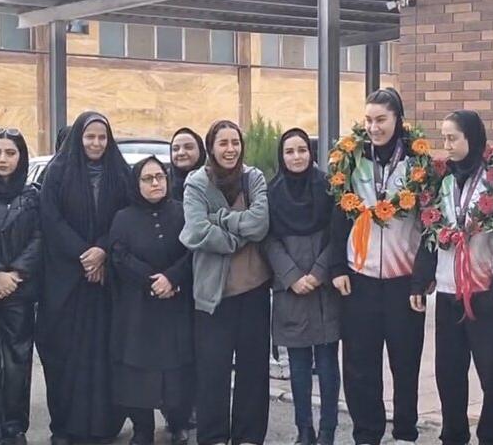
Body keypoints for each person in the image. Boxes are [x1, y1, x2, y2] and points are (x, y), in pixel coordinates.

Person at [329, 87, 425, 445]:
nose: (374, 127)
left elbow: (429, 223)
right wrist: (337, 267)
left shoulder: (416, 163)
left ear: (398, 120)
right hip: (360, 278)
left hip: (403, 281)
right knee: (359, 365)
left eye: (381, 119)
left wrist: (421, 279)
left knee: (406, 363)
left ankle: (405, 434)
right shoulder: (351, 160)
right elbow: (338, 216)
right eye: (368, 120)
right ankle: (366, 434)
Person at [410, 111, 493, 445]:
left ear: (472, 138)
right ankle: (453, 434)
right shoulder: (442, 181)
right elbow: (429, 233)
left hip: (484, 292)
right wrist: (419, 281)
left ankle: (491, 435)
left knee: (492, 373)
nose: (447, 145)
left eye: (453, 138)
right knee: (449, 372)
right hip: (448, 291)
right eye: (444, 138)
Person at [37, 111, 130, 445]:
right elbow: (50, 219)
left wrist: (103, 249)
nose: (96, 143)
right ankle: (64, 427)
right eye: (90, 136)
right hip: (66, 282)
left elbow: (126, 216)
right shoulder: (57, 172)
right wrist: (84, 254)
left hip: (106, 282)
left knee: (104, 354)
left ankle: (103, 425)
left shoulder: (120, 173)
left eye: (102, 137)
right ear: (79, 137)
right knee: (65, 355)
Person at [179, 120, 271, 445]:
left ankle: (248, 437)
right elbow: (195, 230)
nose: (230, 149)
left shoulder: (253, 177)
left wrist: (219, 219)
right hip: (212, 296)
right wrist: (236, 240)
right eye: (223, 143)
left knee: (253, 370)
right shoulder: (196, 183)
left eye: (235, 142)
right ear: (211, 147)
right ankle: (213, 437)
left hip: (254, 291)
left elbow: (260, 225)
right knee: (212, 372)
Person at [109, 156, 194, 445]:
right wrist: (152, 282)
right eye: (147, 179)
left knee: (177, 368)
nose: (155, 183)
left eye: (160, 176)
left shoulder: (182, 212)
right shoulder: (123, 218)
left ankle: (178, 423)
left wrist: (172, 278)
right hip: (138, 309)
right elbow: (119, 256)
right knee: (138, 371)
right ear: (136, 184)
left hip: (176, 304)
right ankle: (142, 428)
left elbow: (193, 250)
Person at [264, 128, 340, 445]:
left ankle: (327, 431)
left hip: (325, 291)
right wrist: (292, 276)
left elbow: (339, 233)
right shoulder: (272, 193)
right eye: (289, 151)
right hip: (290, 291)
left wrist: (319, 272)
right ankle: (304, 430)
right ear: (281, 156)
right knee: (297, 366)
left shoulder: (328, 188)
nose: (296, 157)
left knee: (327, 363)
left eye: (302, 150)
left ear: (311, 153)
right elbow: (268, 240)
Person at [0, 129, 40, 445]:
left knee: (17, 362)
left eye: (10, 153)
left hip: (19, 291)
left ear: (21, 156)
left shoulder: (33, 195)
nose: (3, 159)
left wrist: (14, 274)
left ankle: (15, 425)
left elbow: (40, 237)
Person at [169, 128, 206, 201]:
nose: (181, 153)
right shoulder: (162, 182)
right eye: (175, 149)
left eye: (188, 147)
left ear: (200, 150)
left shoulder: (213, 179)